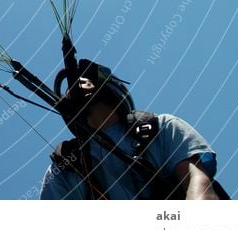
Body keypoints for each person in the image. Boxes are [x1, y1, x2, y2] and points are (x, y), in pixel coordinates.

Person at [39, 59, 224, 200]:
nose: (76, 91)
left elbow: (197, 182)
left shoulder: (160, 127)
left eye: (84, 85)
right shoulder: (66, 165)